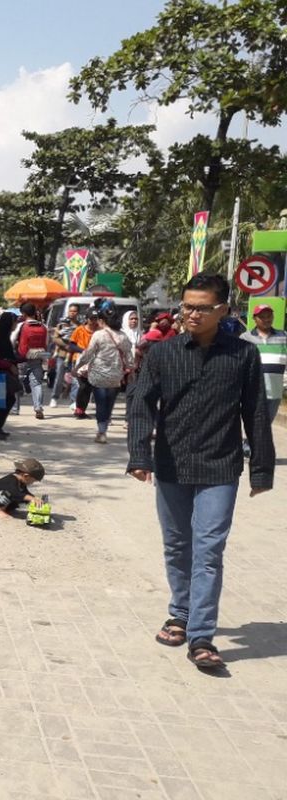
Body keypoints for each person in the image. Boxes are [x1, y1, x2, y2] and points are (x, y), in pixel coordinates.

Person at [127, 273, 273, 670]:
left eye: (201, 308)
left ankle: (201, 635)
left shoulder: (243, 355)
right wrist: (139, 455)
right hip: (171, 464)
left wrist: (261, 470)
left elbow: (256, 412)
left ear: (223, 310)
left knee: (209, 550)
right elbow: (141, 403)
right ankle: (180, 611)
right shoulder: (163, 353)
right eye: (187, 306)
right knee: (178, 546)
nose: (191, 314)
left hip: (220, 467)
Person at [74, 308, 133, 444]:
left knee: (101, 403)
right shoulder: (123, 336)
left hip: (99, 375)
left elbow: (88, 354)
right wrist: (130, 370)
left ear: (102, 321)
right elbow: (129, 358)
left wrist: (77, 367)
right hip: (116, 376)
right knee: (109, 404)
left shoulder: (98, 335)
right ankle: (104, 428)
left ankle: (102, 432)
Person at [240, 304, 287, 423]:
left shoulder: (284, 336)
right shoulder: (245, 338)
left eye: (269, 316)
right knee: (253, 424)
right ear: (254, 318)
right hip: (252, 392)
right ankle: (249, 442)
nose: (267, 319)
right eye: (262, 317)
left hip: (275, 391)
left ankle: (251, 442)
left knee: (266, 424)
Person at [13, 303, 50, 419]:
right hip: (38, 356)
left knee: (17, 382)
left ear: (23, 313)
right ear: (35, 312)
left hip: (22, 358)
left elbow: (12, 340)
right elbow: (47, 343)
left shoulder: (21, 326)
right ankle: (38, 407)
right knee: (37, 383)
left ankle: (15, 409)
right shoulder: (44, 326)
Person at [71, 312, 101, 419]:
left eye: (95, 319)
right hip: (79, 360)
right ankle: (78, 409)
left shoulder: (100, 330)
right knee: (83, 386)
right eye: (91, 319)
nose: (94, 321)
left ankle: (82, 411)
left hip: (94, 361)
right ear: (87, 319)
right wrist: (83, 350)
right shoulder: (79, 330)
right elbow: (71, 345)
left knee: (88, 387)